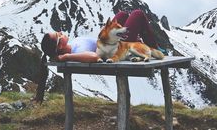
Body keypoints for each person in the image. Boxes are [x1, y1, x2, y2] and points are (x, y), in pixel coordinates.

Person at [35, 9, 165, 103]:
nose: (60, 32)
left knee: (123, 14)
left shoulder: (71, 46)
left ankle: (143, 42)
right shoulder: (77, 51)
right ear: (60, 47)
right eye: (58, 36)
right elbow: (93, 56)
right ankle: (154, 47)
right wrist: (67, 57)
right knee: (138, 14)